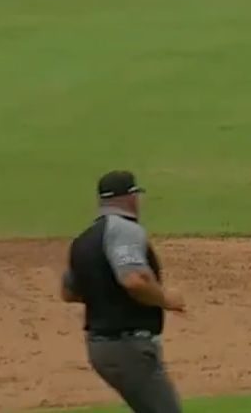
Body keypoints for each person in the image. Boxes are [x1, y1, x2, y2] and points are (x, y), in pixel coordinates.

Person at [60, 170, 187, 413]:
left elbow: (69, 292)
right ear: (130, 198)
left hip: (101, 348)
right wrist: (166, 299)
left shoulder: (83, 239)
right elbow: (133, 280)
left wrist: (106, 294)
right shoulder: (125, 230)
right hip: (127, 346)